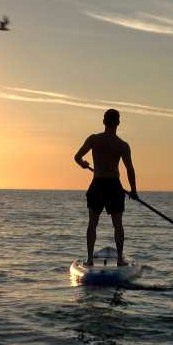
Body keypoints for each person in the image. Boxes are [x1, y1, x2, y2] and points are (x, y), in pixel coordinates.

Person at [74, 108, 139, 267]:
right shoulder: (122, 145)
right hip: (113, 186)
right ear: (118, 123)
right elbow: (129, 169)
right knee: (118, 224)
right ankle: (119, 260)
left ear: (104, 121)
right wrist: (133, 190)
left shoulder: (94, 139)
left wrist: (83, 164)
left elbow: (77, 157)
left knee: (92, 223)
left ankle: (89, 259)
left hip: (98, 184)